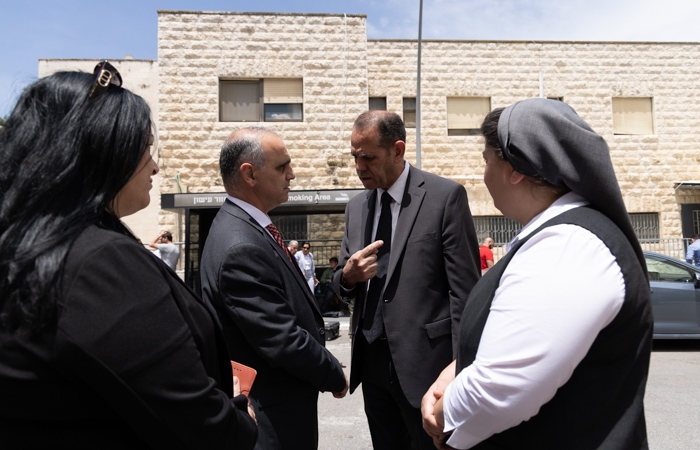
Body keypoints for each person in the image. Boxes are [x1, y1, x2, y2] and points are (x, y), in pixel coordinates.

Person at [0, 63, 257, 448]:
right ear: (101, 150)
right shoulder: (100, 263)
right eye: (144, 149)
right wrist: (240, 414)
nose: (154, 166)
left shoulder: (32, 247)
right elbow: (203, 428)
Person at [421, 98, 653, 450]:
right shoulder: (556, 237)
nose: (483, 175)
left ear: (514, 168)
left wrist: (442, 415)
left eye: (487, 160)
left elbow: (499, 387)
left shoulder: (569, 245)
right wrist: (457, 369)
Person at [333, 110, 481, 449]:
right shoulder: (356, 207)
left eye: (368, 157)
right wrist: (348, 277)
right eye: (355, 157)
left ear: (398, 150)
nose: (359, 167)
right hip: (371, 367)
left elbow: (466, 294)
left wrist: (461, 368)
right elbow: (342, 282)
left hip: (428, 368)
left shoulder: (445, 197)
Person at [199, 127, 348, 450]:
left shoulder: (245, 226)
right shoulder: (240, 243)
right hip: (271, 421)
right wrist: (332, 373)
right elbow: (279, 337)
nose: (292, 175)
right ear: (249, 174)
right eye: (282, 167)